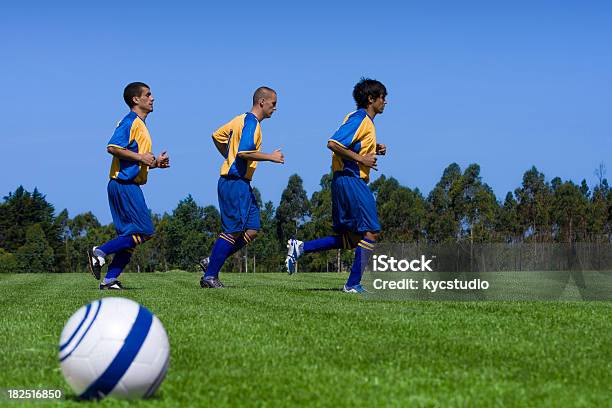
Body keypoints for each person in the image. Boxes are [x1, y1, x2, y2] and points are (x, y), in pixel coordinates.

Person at [285, 78, 387, 293]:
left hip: (344, 180)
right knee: (371, 232)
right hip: (351, 180)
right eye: (382, 98)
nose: (385, 102)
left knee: (350, 239)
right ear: (371, 99)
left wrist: (373, 149)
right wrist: (362, 160)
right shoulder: (361, 119)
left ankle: (301, 247)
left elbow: (349, 145)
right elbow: (333, 143)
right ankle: (352, 284)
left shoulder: (361, 120)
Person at [87, 82, 170, 290]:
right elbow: (112, 147)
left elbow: (135, 160)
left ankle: (109, 280)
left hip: (124, 185)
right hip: (124, 186)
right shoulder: (130, 121)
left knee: (130, 239)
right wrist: (141, 157)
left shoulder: (141, 125)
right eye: (148, 95)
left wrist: (155, 163)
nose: (152, 98)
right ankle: (99, 252)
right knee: (144, 232)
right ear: (136, 99)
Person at [200, 87, 284, 288]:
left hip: (242, 183)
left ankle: (212, 261)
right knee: (233, 230)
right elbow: (245, 152)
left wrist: (228, 156)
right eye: (273, 104)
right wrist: (270, 157)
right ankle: (210, 276)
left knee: (252, 228)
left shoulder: (240, 119)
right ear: (262, 102)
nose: (275, 108)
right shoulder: (251, 123)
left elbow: (216, 136)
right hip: (234, 182)